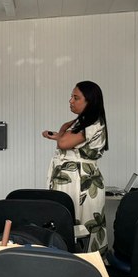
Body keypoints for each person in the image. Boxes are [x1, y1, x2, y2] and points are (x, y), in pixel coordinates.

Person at [43, 80, 109, 252]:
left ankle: (89, 268)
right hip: (71, 179)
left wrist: (62, 131)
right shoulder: (81, 122)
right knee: (66, 223)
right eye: (71, 97)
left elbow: (63, 142)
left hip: (81, 182)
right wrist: (64, 131)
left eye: (76, 97)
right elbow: (64, 139)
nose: (70, 101)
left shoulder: (93, 123)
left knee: (84, 226)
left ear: (90, 101)